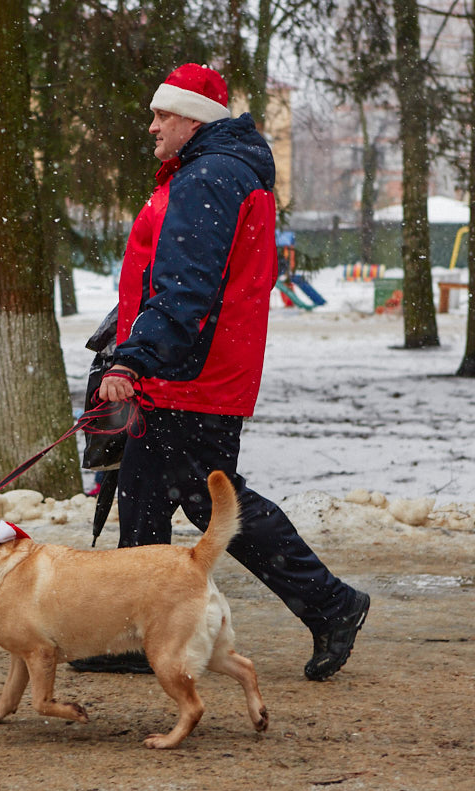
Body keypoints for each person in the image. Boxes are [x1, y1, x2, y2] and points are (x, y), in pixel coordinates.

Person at [71, 65, 368, 681]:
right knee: (146, 494)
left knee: (209, 501)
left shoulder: (208, 177)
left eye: (162, 115)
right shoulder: (213, 172)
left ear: (193, 119)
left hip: (192, 372)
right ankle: (136, 634)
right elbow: (171, 276)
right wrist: (128, 333)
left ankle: (332, 603)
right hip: (190, 365)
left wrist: (135, 356)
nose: (151, 126)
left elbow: (187, 287)